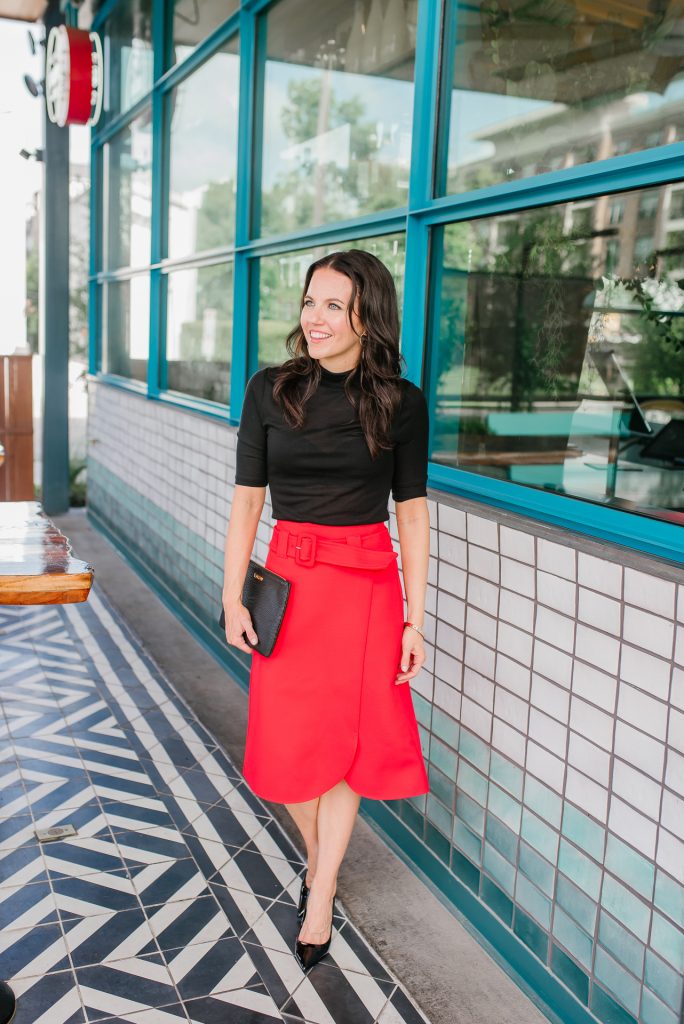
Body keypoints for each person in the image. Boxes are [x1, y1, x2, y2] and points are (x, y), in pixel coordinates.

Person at [221, 249, 430, 972]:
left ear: (367, 316)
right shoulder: (268, 390)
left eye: (334, 305)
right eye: (311, 301)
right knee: (285, 751)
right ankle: (321, 857)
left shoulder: (401, 403)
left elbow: (413, 513)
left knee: (346, 751)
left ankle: (323, 888)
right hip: (291, 583)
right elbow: (248, 498)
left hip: (368, 589)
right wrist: (231, 593)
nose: (315, 317)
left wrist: (416, 618)